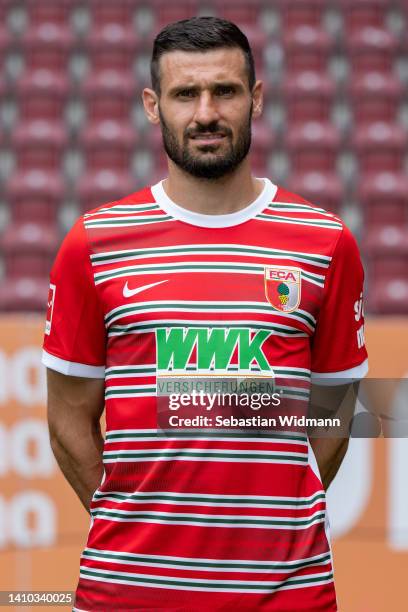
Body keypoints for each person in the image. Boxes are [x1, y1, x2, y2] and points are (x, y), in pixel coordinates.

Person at [43, 16, 368, 612]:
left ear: (257, 98)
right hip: (128, 592)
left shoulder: (325, 241)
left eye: (225, 90)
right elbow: (67, 420)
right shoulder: (94, 243)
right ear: (152, 105)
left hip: (287, 595)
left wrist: (275, 517)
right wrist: (139, 525)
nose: (206, 113)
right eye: (185, 93)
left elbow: (335, 414)